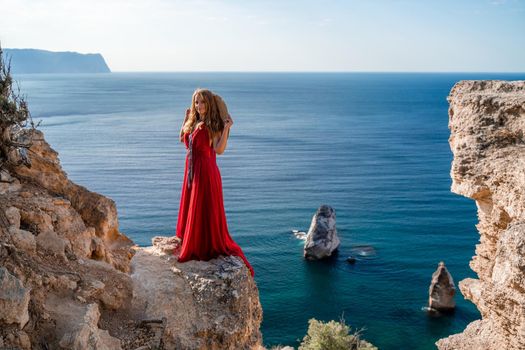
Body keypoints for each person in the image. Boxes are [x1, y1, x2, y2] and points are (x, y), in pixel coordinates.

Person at [174, 88, 255, 277]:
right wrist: (185, 119)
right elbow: (183, 140)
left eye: (202, 102)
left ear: (209, 104)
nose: (199, 106)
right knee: (195, 207)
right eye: (196, 102)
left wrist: (227, 128)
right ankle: (192, 238)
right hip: (193, 170)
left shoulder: (213, 124)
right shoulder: (194, 122)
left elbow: (219, 150)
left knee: (205, 208)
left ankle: (204, 244)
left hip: (206, 172)